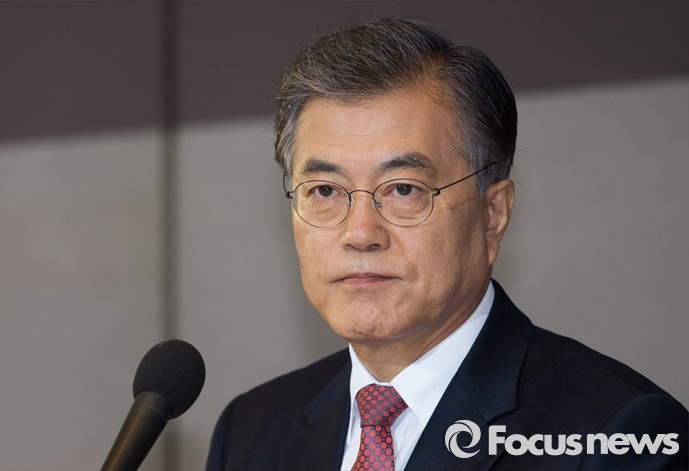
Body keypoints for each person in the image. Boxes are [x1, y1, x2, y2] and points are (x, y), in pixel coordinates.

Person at [206, 16, 688, 470]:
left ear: (492, 214)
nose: (360, 234)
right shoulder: (250, 431)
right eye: (325, 192)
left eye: (404, 189)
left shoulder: (619, 434)